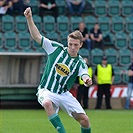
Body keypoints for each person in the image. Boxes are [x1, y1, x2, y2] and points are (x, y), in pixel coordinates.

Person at [24, 7, 92, 133]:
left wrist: (87, 80)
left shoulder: (80, 62)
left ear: (81, 45)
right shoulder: (56, 49)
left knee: (85, 120)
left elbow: (84, 75)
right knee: (47, 103)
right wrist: (29, 19)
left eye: (76, 45)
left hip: (63, 94)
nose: (72, 47)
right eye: (70, 44)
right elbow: (37, 36)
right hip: (46, 90)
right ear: (67, 42)